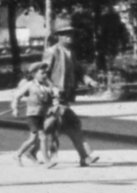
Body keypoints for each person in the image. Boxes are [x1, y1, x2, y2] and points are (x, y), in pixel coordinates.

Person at [40, 27, 98, 169]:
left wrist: (89, 81)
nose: (70, 37)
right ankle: (84, 155)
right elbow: (42, 74)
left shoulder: (71, 52)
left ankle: (84, 156)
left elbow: (79, 71)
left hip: (65, 97)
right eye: (66, 35)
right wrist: (52, 88)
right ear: (59, 37)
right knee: (66, 125)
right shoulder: (52, 52)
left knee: (62, 126)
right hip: (53, 98)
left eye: (71, 34)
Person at [9, 63, 55, 166]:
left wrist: (52, 104)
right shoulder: (30, 85)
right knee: (42, 137)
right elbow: (17, 96)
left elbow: (49, 99)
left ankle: (18, 155)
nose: (45, 75)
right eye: (42, 73)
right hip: (32, 115)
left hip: (41, 115)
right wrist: (15, 109)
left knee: (33, 139)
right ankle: (47, 161)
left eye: (46, 73)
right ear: (34, 74)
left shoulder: (46, 86)